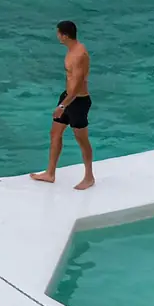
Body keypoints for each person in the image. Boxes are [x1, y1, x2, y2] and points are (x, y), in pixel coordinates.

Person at [29, 19, 94, 190]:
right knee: (55, 133)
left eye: (58, 33)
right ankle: (50, 173)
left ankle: (89, 177)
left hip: (78, 101)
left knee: (82, 139)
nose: (57, 36)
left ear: (64, 35)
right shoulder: (71, 51)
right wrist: (64, 102)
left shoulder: (80, 55)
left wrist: (63, 106)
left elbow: (78, 85)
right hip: (67, 97)